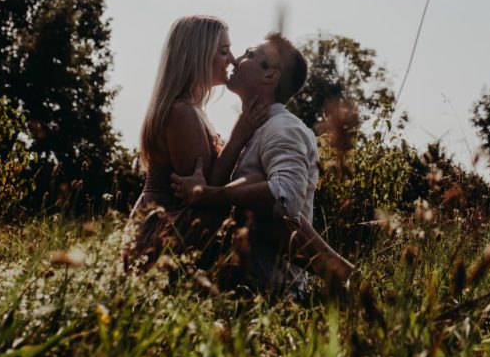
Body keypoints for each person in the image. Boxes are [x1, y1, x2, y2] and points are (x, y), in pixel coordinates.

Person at [170, 32, 354, 294]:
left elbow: (285, 197)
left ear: (270, 76)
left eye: (249, 54)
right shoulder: (253, 129)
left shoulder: (283, 128)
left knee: (257, 192)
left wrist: (210, 195)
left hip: (272, 287)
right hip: (239, 281)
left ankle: (341, 275)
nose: (235, 60)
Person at [125, 15, 268, 269]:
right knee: (262, 197)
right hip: (166, 236)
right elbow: (204, 196)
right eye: (224, 51)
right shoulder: (182, 113)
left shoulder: (191, 109)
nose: (233, 59)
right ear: (199, 56)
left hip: (171, 227)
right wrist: (238, 136)